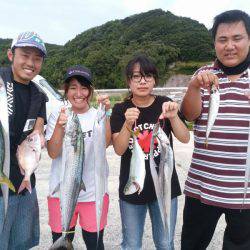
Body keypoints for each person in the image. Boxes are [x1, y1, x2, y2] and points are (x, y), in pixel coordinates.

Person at [181, 10, 250, 250]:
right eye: (222, 40)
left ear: (249, 40)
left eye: (237, 38)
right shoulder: (203, 75)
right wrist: (192, 86)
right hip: (202, 186)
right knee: (191, 244)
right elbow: (190, 115)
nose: (229, 46)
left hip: (245, 193)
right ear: (214, 44)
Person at [110, 55, 190, 250]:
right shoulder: (121, 109)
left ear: (155, 79)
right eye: (136, 76)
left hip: (165, 186)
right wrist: (128, 124)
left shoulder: (166, 103)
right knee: (131, 244)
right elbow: (119, 149)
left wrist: (173, 117)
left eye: (148, 76)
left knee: (165, 243)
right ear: (129, 81)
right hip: (133, 187)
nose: (143, 81)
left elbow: (185, 137)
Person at [46, 65, 111, 249]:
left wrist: (105, 114)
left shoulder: (97, 115)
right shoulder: (59, 115)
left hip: (93, 193)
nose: (79, 93)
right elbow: (52, 152)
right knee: (61, 243)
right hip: (61, 193)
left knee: (95, 244)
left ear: (90, 91)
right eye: (73, 87)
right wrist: (59, 126)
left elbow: (105, 143)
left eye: (84, 87)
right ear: (66, 90)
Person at [0, 31, 47, 249]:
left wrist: (40, 137)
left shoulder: (39, 95)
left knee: (21, 244)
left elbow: (38, 129)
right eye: (25, 55)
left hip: (24, 185)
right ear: (11, 55)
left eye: (37, 59)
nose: (31, 63)